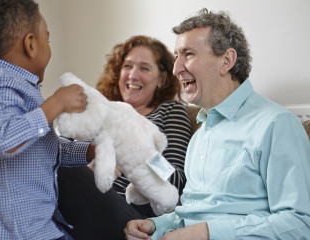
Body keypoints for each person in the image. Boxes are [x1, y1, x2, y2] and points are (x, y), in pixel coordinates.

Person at [124, 8, 310, 240]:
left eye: (188, 54)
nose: (176, 68)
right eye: (176, 56)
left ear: (227, 61)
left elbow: (300, 225)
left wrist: (208, 233)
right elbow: (190, 214)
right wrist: (154, 225)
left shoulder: (276, 124)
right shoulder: (202, 134)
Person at [0, 0, 95, 239]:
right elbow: (3, 139)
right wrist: (56, 103)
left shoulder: (17, 86)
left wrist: (90, 151)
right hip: (17, 233)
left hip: (38, 228)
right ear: (31, 44)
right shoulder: (0, 83)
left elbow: (45, 147)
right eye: (48, 39)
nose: (49, 46)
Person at [57, 35, 192, 239]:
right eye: (127, 66)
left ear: (162, 79)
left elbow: (177, 180)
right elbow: (63, 146)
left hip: (128, 211)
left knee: (60, 168)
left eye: (144, 68)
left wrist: (138, 152)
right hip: (78, 198)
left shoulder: (170, 112)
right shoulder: (100, 112)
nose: (132, 75)